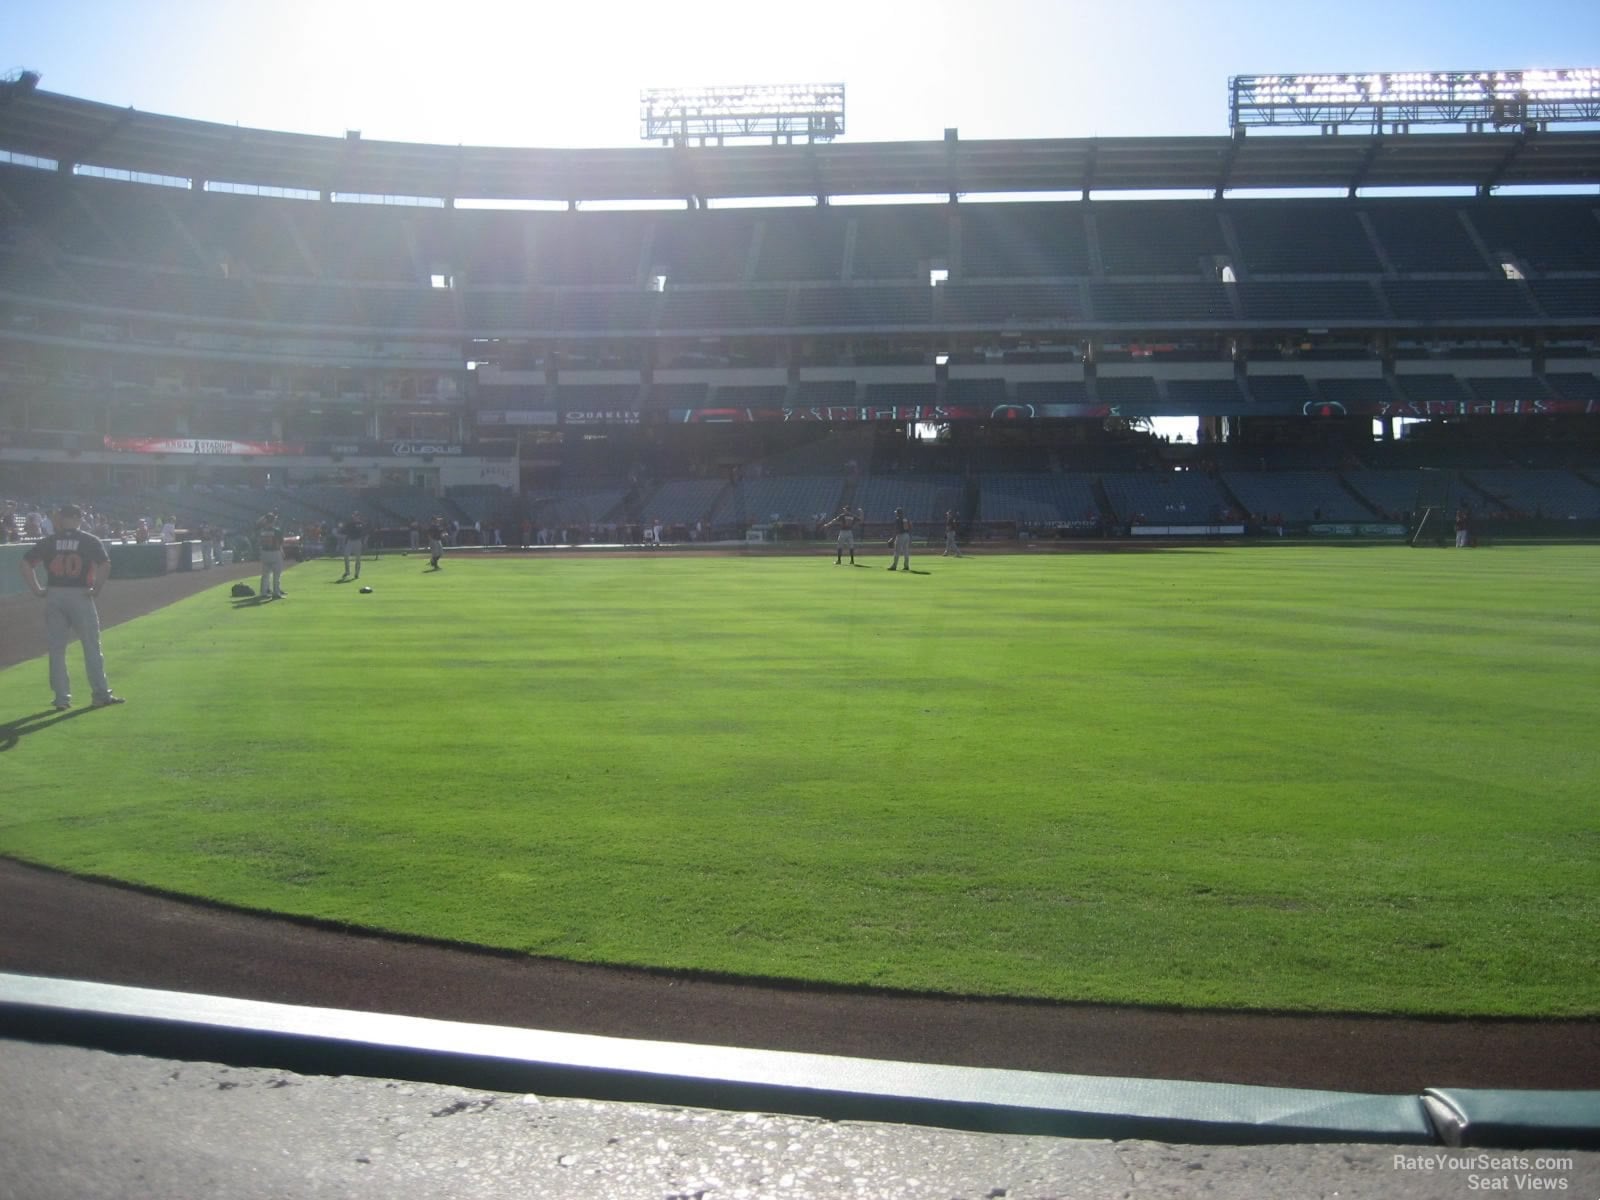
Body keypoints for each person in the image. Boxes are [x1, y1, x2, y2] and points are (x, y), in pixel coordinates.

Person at [18, 503, 124, 710]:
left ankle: (61, 698)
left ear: (61, 518)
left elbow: (25, 563)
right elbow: (105, 564)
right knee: (91, 647)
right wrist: (96, 588)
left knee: (56, 649)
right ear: (78, 518)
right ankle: (101, 694)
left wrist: (37, 589)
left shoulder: (49, 541)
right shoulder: (89, 540)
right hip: (80, 594)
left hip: (54, 594)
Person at [257, 513, 286, 599]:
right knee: (276, 575)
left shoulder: (262, 531)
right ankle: (276, 592)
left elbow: (259, 542)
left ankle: (263, 592)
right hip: (275, 552)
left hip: (264, 553)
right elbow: (280, 542)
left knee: (265, 575)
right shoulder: (277, 531)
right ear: (273, 521)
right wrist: (282, 552)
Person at [339, 511, 367, 580]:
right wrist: (341, 528)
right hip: (350, 541)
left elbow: (362, 532)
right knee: (346, 555)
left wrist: (364, 542)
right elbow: (344, 530)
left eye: (356, 515)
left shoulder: (360, 523)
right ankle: (347, 571)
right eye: (354, 515)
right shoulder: (350, 523)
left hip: (357, 541)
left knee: (358, 558)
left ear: (359, 516)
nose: (355, 517)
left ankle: (356, 574)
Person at [888, 507, 913, 571]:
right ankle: (906, 566)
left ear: (898, 513)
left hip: (900, 535)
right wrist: (909, 536)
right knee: (906, 551)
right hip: (907, 535)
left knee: (897, 551)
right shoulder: (906, 518)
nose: (896, 514)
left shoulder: (898, 519)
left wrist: (893, 538)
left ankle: (894, 566)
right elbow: (911, 526)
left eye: (896, 513)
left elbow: (896, 530)